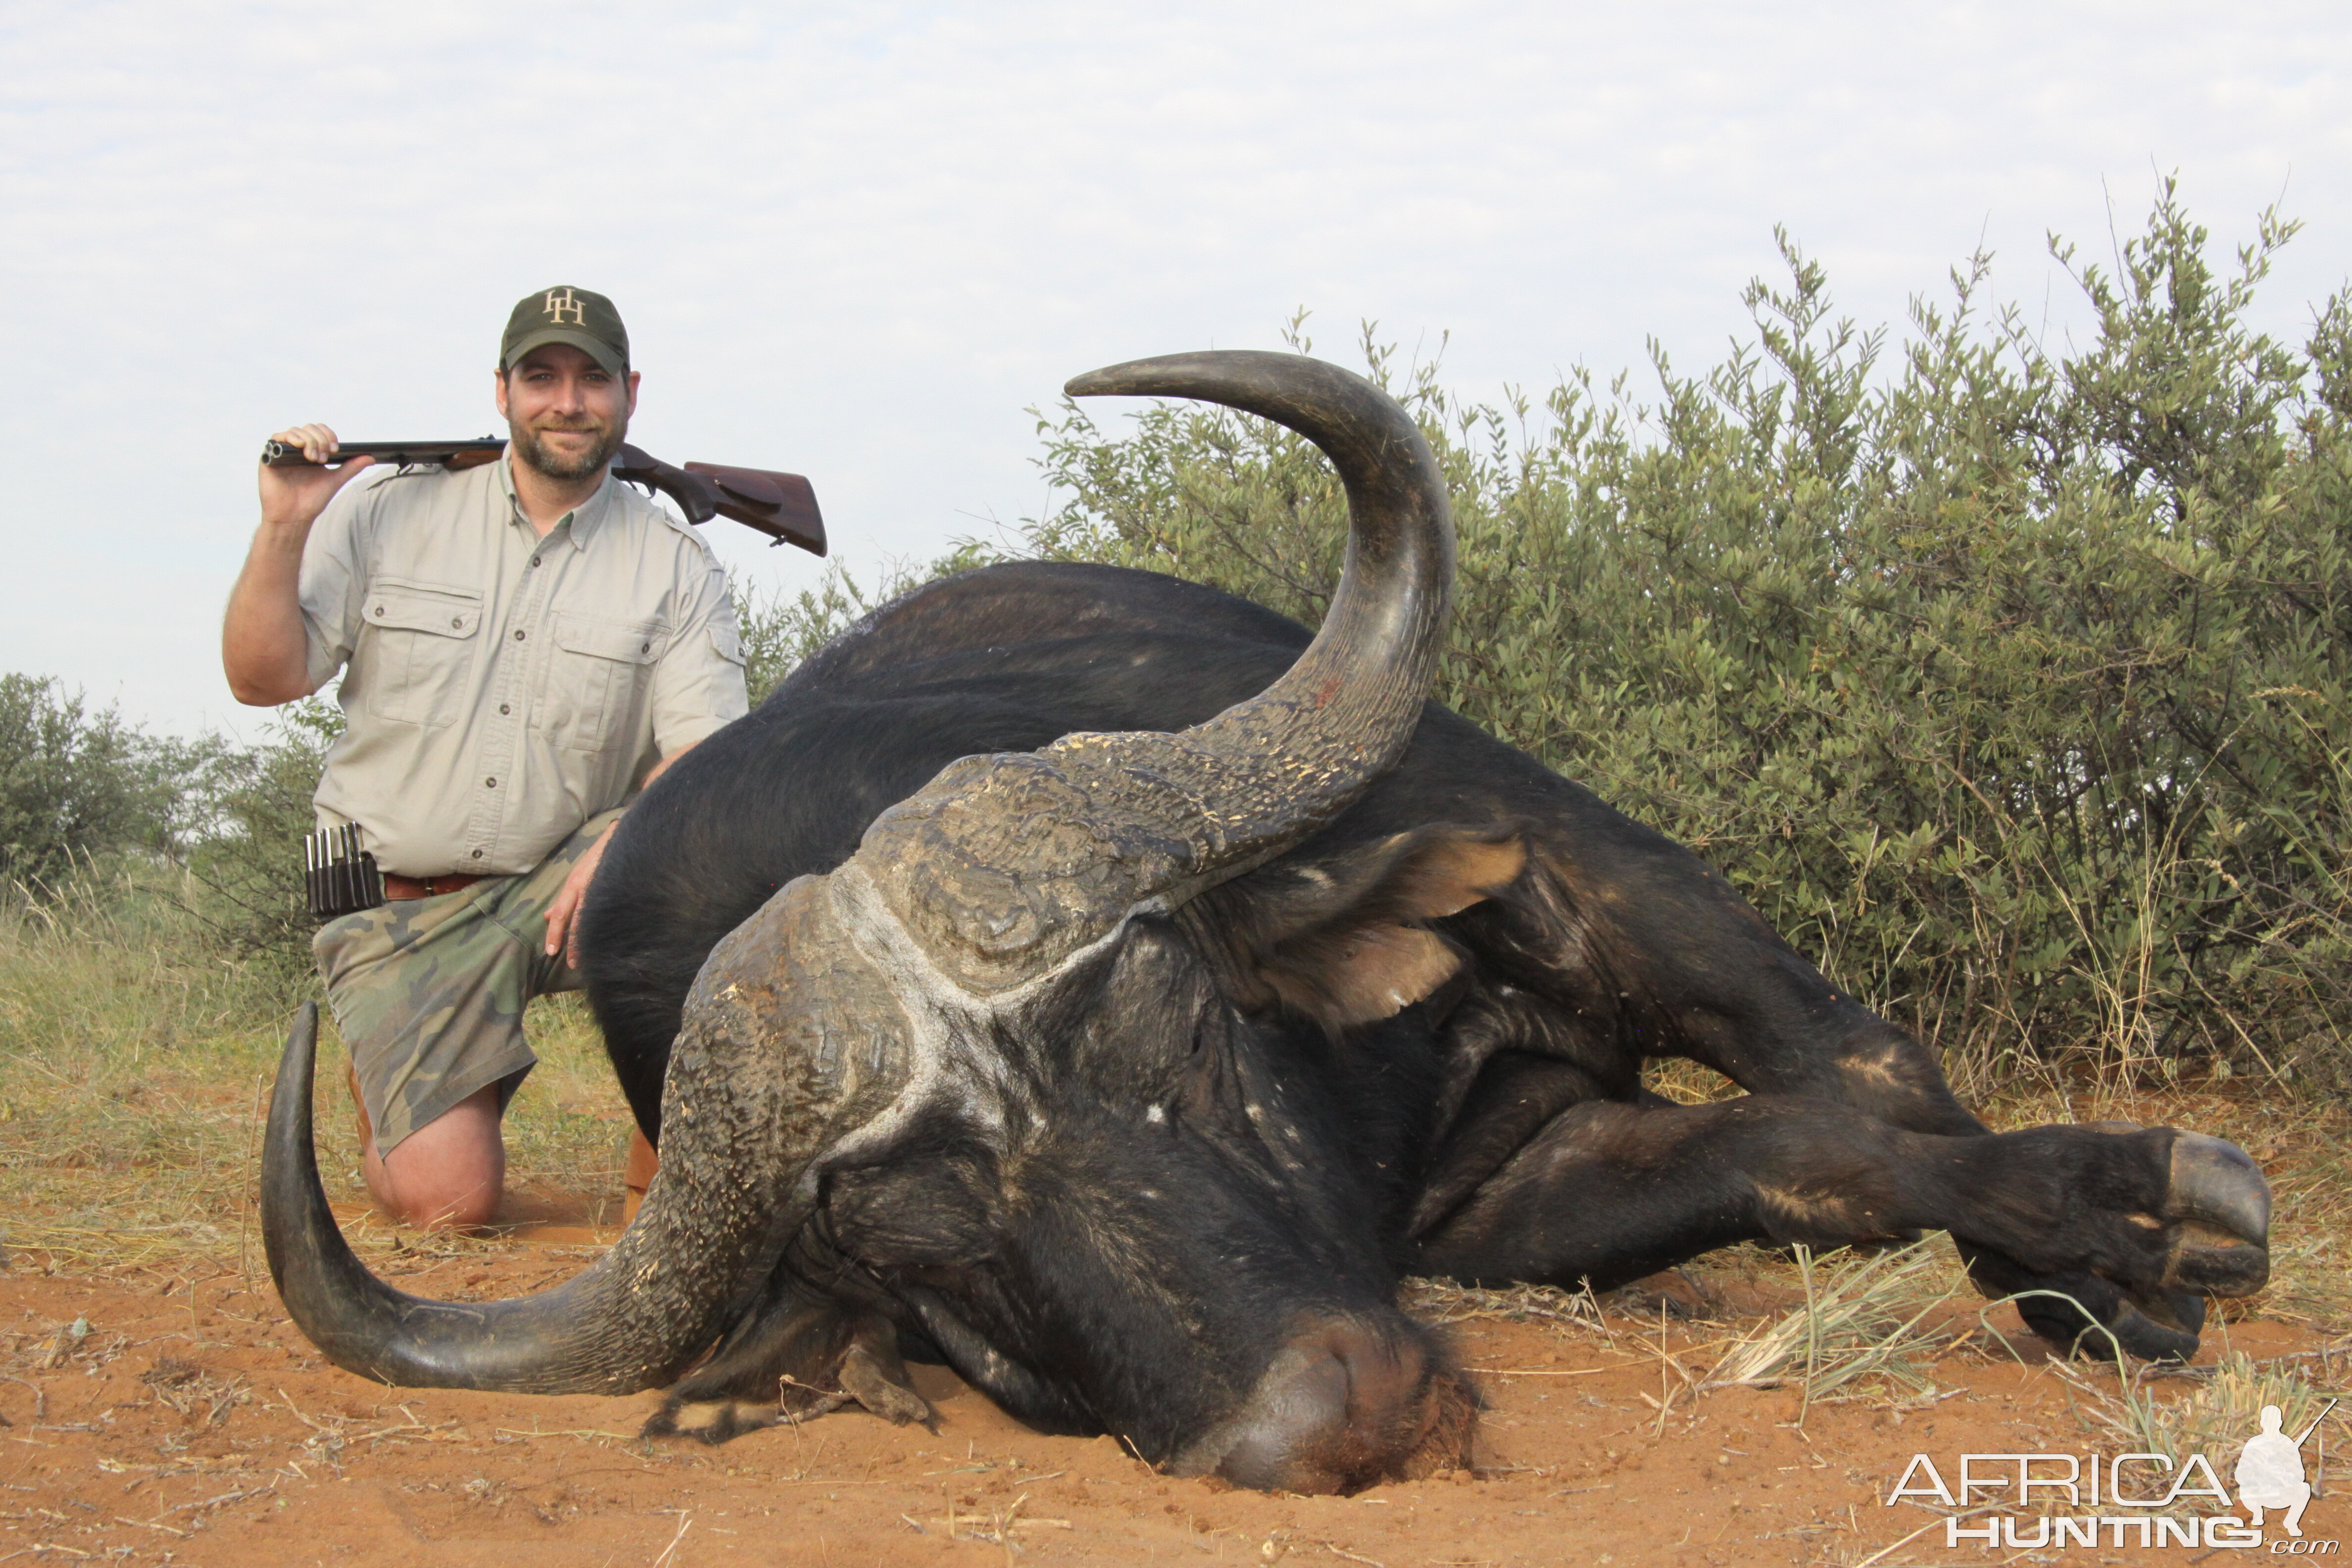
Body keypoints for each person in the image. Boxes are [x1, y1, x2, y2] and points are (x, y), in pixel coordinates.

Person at [222, 286, 748, 1230]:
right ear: (500, 391)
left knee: (732, 880)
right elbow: (263, 679)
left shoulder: (676, 563)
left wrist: (627, 840)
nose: (568, 401)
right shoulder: (388, 509)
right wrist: (285, 523)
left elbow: (703, 752)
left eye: (592, 379)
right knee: (448, 1201)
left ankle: (670, 1197)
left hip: (564, 886)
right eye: (541, 377)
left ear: (629, 394)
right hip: (399, 902)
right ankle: (404, 1064)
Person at [2234, 1402, 2318, 1537]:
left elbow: (2300, 1474)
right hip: (2259, 1492)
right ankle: (2257, 1513)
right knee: (2244, 1489)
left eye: (2274, 1422)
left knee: (2304, 1489)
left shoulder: (2287, 1444)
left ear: (2280, 1423)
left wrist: (2286, 1473)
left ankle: (2291, 1522)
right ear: (2262, 1423)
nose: (2271, 1425)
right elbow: (2240, 1475)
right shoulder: (2254, 1444)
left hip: (2282, 1492)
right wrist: (2258, 1471)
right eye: (2268, 1422)